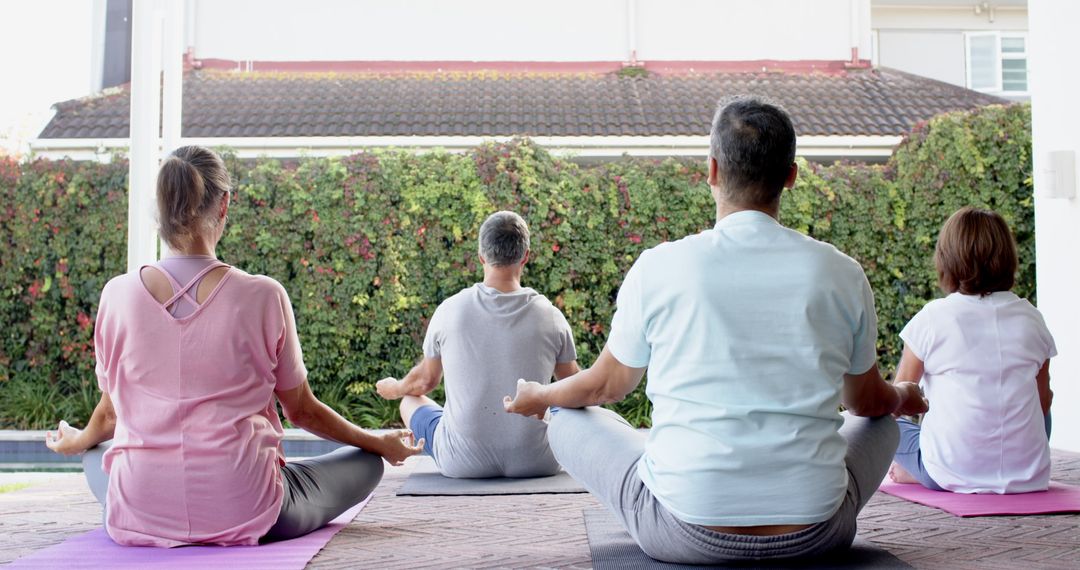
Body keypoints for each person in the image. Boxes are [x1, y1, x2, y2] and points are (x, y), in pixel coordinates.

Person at [504, 97, 928, 565]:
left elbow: (606, 385)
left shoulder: (660, 266)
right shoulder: (842, 272)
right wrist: (904, 394)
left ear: (711, 169)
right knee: (884, 420)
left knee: (569, 414)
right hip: (816, 532)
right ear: (791, 176)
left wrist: (540, 397)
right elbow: (865, 402)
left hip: (683, 532)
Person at [45, 145, 423, 547]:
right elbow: (302, 411)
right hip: (249, 508)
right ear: (224, 204)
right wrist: (376, 441)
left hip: (140, 509)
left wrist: (78, 439)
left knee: (94, 454)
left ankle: (147, 506)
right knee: (366, 462)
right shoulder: (262, 295)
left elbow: (108, 417)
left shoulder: (116, 295)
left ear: (159, 210)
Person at [376, 211, 579, 478]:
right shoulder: (550, 315)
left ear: (481, 256)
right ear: (526, 256)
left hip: (461, 463)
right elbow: (576, 390)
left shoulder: (450, 310)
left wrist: (395, 387)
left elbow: (424, 383)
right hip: (538, 461)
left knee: (409, 399)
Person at [888, 207, 1056, 493]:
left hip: (949, 470)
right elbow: (1042, 401)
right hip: (1028, 474)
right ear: (1008, 259)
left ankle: (917, 471)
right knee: (1041, 405)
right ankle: (997, 467)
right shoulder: (1031, 317)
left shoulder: (933, 317)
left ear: (947, 259)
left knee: (881, 421)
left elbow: (897, 402)